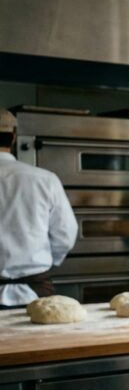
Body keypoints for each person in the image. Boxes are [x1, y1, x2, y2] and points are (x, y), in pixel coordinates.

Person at [0, 108, 78, 309]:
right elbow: (66, 234)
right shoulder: (45, 180)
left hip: (34, 288)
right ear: (14, 137)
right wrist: (43, 262)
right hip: (34, 291)